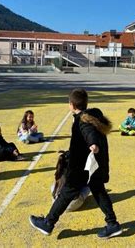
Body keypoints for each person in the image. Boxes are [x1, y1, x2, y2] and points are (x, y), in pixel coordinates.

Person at [29, 88, 122, 239]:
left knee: (66, 193)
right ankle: (112, 224)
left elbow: (89, 133)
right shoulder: (94, 114)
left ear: (72, 104)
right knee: (98, 191)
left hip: (82, 167)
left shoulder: (82, 121)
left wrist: (93, 144)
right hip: (96, 165)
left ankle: (48, 223)